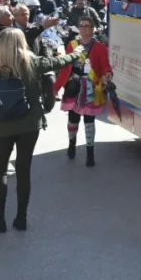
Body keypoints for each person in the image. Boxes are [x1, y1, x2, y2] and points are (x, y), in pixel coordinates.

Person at [0, 28, 78, 233]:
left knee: (1, 170)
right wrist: (77, 53)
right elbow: (58, 62)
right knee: (23, 170)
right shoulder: (32, 62)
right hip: (30, 124)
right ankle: (21, 218)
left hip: (2, 124)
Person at [55, 15, 111, 167]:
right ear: (79, 28)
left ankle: (90, 153)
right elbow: (65, 67)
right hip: (74, 85)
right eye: (82, 26)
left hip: (91, 86)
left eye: (88, 26)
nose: (85, 29)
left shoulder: (99, 47)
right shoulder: (72, 45)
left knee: (89, 120)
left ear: (93, 29)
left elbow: (106, 66)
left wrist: (107, 74)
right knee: (73, 119)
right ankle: (71, 144)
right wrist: (56, 87)